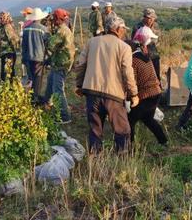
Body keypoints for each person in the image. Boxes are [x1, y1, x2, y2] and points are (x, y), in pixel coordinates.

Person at [75, 16, 139, 152]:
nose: (124, 32)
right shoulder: (124, 47)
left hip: (91, 92)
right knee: (122, 130)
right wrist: (134, 94)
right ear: (117, 29)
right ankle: (122, 160)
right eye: (123, 29)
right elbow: (127, 72)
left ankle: (95, 159)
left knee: (95, 129)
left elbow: (80, 65)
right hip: (113, 95)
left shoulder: (91, 42)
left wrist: (79, 85)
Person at [128, 32, 168, 146]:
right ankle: (163, 141)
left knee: (130, 120)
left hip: (146, 95)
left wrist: (128, 97)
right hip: (156, 93)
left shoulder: (133, 60)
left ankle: (129, 147)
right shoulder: (146, 58)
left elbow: (132, 81)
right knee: (148, 119)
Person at [45, 8, 75, 123]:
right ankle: (46, 103)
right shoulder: (64, 29)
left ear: (58, 19)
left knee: (58, 90)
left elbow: (51, 45)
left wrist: (47, 35)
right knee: (50, 82)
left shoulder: (62, 31)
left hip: (61, 64)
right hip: (60, 62)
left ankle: (64, 116)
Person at [21, 7, 50, 102]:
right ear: (40, 18)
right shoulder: (44, 29)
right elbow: (48, 44)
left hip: (28, 57)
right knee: (38, 78)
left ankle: (31, 96)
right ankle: (35, 98)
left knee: (31, 77)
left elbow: (23, 45)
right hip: (39, 58)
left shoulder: (26, 29)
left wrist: (23, 58)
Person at [132, 8, 162, 81]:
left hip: (153, 53)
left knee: (156, 73)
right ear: (144, 17)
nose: (152, 20)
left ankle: (158, 88)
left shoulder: (156, 26)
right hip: (141, 54)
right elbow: (134, 41)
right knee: (143, 76)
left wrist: (151, 43)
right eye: (149, 18)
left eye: (153, 18)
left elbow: (159, 39)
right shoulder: (138, 27)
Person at [0, 11, 20, 81]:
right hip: (7, 53)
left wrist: (1, 42)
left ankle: (9, 89)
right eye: (0, 18)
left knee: (7, 73)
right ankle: (11, 88)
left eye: (1, 18)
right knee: (9, 73)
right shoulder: (4, 26)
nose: (0, 20)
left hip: (8, 53)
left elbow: (14, 39)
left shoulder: (7, 27)